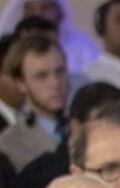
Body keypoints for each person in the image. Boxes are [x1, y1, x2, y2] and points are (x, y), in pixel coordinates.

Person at [3, 0, 103, 79]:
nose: (36, 13)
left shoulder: (82, 46)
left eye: (45, 8)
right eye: (29, 9)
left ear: (60, 12)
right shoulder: (9, 47)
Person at [0, 32, 69, 171]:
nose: (55, 83)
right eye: (41, 76)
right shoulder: (8, 145)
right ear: (21, 83)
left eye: (60, 72)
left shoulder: (87, 124)